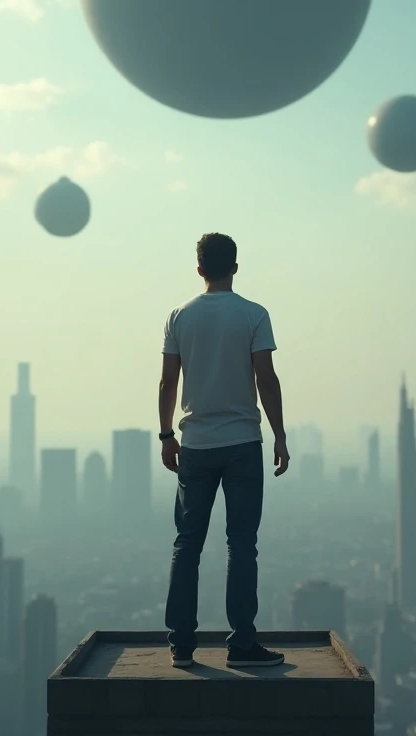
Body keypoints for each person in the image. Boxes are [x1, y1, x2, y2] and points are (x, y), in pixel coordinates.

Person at [158, 232, 290, 669]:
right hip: (242, 445)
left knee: (187, 543)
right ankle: (242, 645)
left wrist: (166, 435)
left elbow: (167, 383)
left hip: (195, 444)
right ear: (235, 266)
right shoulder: (254, 315)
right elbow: (266, 380)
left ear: (199, 270)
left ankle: (180, 644)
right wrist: (281, 436)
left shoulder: (179, 316)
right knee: (241, 544)